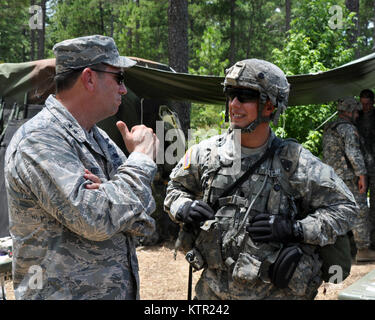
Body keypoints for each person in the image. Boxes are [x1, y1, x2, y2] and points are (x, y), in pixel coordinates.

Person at [164, 59, 358, 300]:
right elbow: (175, 188)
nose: (234, 103)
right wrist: (182, 206)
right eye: (230, 94)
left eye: (245, 95)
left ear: (269, 106)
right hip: (213, 293)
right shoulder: (206, 154)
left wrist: (295, 229)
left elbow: (346, 208)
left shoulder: (295, 162)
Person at [4, 35, 159, 300]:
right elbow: (95, 219)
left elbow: (145, 221)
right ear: (89, 78)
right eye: (119, 78)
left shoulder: (98, 137)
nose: (123, 89)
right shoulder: (39, 140)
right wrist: (141, 160)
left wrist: (110, 194)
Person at [323, 97, 375, 262]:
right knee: (359, 211)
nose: (358, 115)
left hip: (332, 177)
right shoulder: (347, 129)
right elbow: (353, 153)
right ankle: (363, 250)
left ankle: (339, 252)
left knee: (338, 211)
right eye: (356, 112)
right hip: (348, 177)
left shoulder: (330, 127)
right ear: (349, 111)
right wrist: (362, 175)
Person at [358, 89, 375, 250]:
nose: (366, 107)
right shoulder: (356, 117)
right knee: (360, 205)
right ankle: (363, 242)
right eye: (363, 104)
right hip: (361, 168)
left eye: (368, 104)